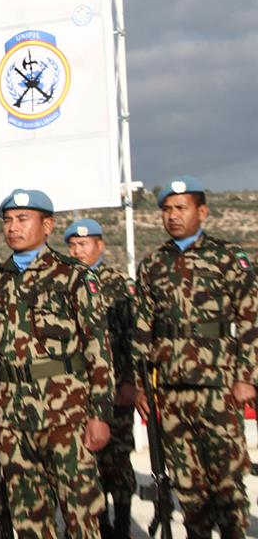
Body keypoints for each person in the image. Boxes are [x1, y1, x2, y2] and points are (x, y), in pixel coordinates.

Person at [0, 189, 113, 536]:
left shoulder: (74, 277)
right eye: (8, 220)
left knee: (81, 511)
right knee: (26, 517)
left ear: (47, 225)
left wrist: (99, 415)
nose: (13, 227)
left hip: (66, 415)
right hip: (11, 418)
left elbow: (98, 349)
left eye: (23, 219)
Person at [133, 177, 257, 539]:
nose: (172, 216)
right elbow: (143, 329)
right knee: (186, 482)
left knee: (226, 478)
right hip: (171, 391)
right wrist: (142, 385)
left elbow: (250, 318)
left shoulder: (228, 259)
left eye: (181, 208)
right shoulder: (153, 264)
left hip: (219, 387)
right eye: (167, 209)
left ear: (201, 211)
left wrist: (246, 376)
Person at [64, 218, 136, 538]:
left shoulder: (118, 283)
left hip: (116, 387)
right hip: (78, 390)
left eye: (85, 244)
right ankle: (98, 522)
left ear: (100, 246)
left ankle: (121, 523)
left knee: (117, 458)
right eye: (73, 245)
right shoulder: (66, 282)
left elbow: (132, 338)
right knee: (85, 461)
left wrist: (130, 382)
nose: (78, 250)